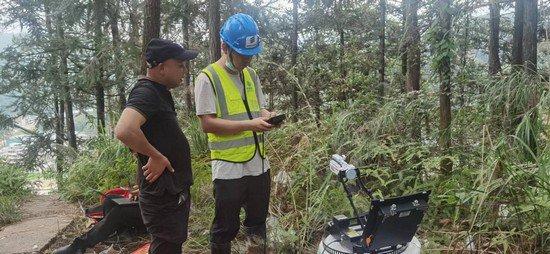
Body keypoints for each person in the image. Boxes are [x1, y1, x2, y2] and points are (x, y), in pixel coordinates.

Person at [194, 13, 275, 254]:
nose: (247, 60)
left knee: (258, 220)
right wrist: (250, 125)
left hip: (258, 161)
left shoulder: (250, 75)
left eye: (251, 55)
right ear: (224, 47)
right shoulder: (207, 78)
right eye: (242, 55)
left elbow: (256, 107)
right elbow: (207, 124)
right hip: (228, 165)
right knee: (225, 226)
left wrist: (266, 115)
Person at [114, 38, 198, 254]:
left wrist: (147, 152)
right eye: (179, 64)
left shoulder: (158, 92)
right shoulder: (147, 92)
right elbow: (124, 130)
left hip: (169, 192)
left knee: (170, 245)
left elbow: (148, 133)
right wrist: (156, 156)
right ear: (161, 68)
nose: (183, 69)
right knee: (166, 247)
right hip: (162, 195)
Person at [52, 189, 145, 254]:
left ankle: (79, 246)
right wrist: (137, 192)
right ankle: (120, 233)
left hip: (155, 212)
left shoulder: (156, 161)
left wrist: (142, 193)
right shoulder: (150, 164)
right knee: (109, 199)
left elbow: (158, 194)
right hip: (145, 202)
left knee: (119, 211)